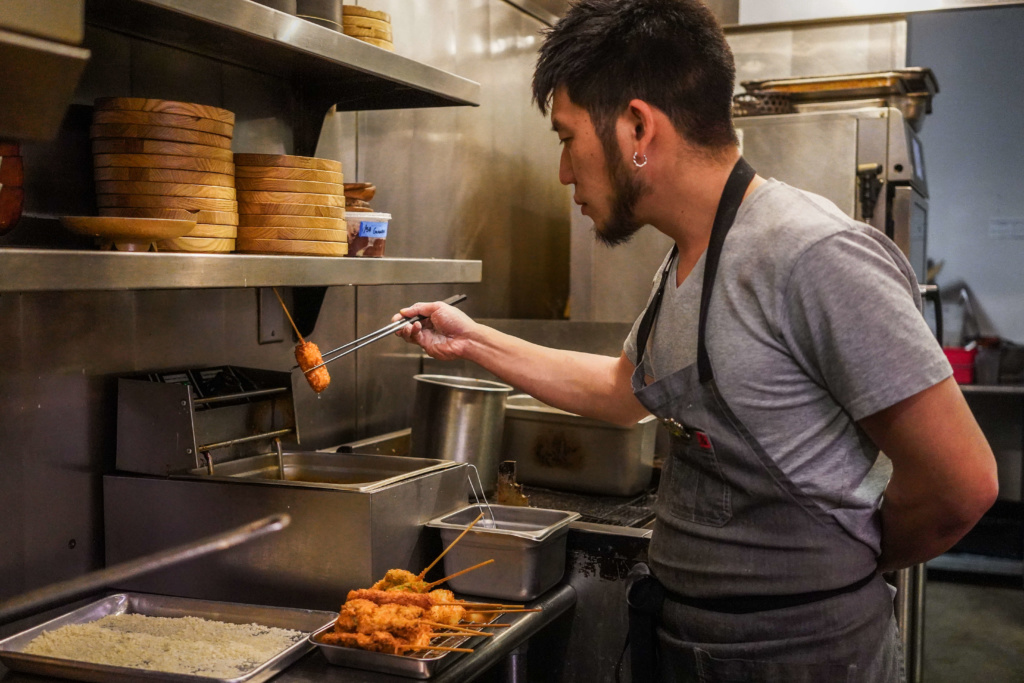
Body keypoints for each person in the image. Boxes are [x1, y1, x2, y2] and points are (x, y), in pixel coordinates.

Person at [394, 1, 998, 680]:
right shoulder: (687, 260)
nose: (564, 172)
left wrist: (835, 568)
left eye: (566, 138)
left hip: (801, 656)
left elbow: (962, 482)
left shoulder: (809, 252)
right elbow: (623, 393)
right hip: (692, 641)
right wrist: (475, 340)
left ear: (637, 127)